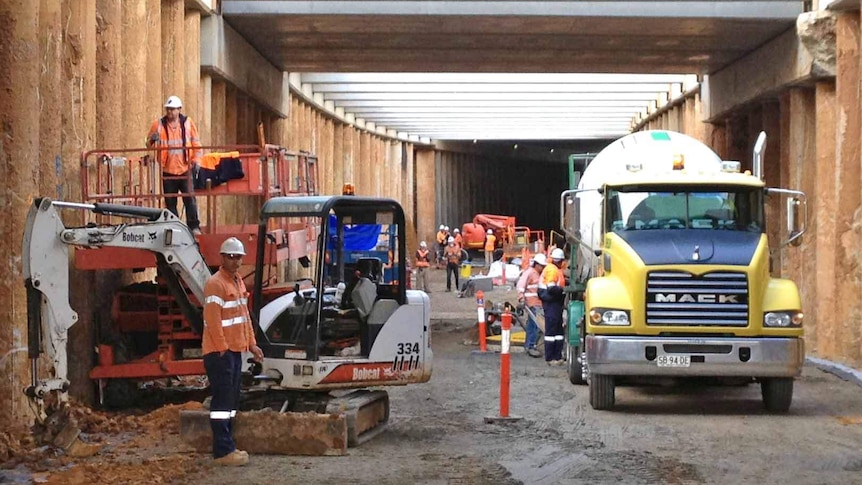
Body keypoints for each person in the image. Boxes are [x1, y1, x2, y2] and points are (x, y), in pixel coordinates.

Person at [202, 237, 264, 466]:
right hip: (221, 353)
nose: (235, 261)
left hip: (234, 351)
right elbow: (212, 320)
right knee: (222, 404)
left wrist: (252, 343)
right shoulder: (215, 284)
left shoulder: (237, 281)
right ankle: (222, 452)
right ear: (222, 258)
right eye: (231, 256)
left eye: (238, 257)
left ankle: (228, 445)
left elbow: (243, 317)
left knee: (231, 402)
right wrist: (221, 349)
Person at [147, 95, 202, 234]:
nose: (170, 112)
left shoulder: (188, 123)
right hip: (167, 170)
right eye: (168, 109)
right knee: (170, 202)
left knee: (190, 199)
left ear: (179, 110)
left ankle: (194, 227)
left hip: (185, 169)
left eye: (173, 109)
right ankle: (176, 228)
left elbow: (196, 144)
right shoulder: (158, 125)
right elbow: (147, 144)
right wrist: (152, 140)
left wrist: (196, 161)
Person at [538, 247, 566, 365]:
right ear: (560, 261)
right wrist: (564, 290)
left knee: (558, 331)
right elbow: (551, 288)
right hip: (551, 303)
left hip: (555, 303)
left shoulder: (554, 269)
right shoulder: (552, 270)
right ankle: (550, 358)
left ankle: (557, 356)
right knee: (551, 331)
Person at [517, 253, 546, 358]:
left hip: (538, 303)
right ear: (536, 264)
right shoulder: (529, 273)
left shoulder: (538, 274)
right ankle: (531, 346)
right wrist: (521, 298)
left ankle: (530, 345)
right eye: (542, 266)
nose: (543, 268)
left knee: (533, 325)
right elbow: (520, 286)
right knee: (534, 326)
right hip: (532, 303)